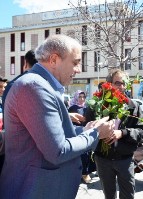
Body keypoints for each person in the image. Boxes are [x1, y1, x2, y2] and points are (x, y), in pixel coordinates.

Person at [0, 34, 115, 199]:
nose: (78, 69)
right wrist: (95, 133)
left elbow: (47, 132)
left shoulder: (40, 85)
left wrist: (85, 129)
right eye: (75, 63)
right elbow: (58, 150)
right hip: (32, 190)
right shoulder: (34, 87)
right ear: (54, 60)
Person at [92, 69, 143, 199]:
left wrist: (123, 133)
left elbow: (141, 131)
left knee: (128, 195)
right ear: (109, 84)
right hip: (103, 159)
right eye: (117, 83)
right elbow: (88, 127)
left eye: (124, 83)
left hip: (125, 159)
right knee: (108, 195)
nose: (121, 87)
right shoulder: (99, 104)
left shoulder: (133, 106)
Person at [68, 90, 96, 183]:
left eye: (83, 97)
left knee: (87, 154)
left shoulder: (88, 108)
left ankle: (85, 172)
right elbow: (68, 123)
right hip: (76, 134)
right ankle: (79, 173)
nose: (82, 99)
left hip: (87, 133)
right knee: (79, 154)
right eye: (80, 97)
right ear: (76, 97)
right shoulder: (72, 108)